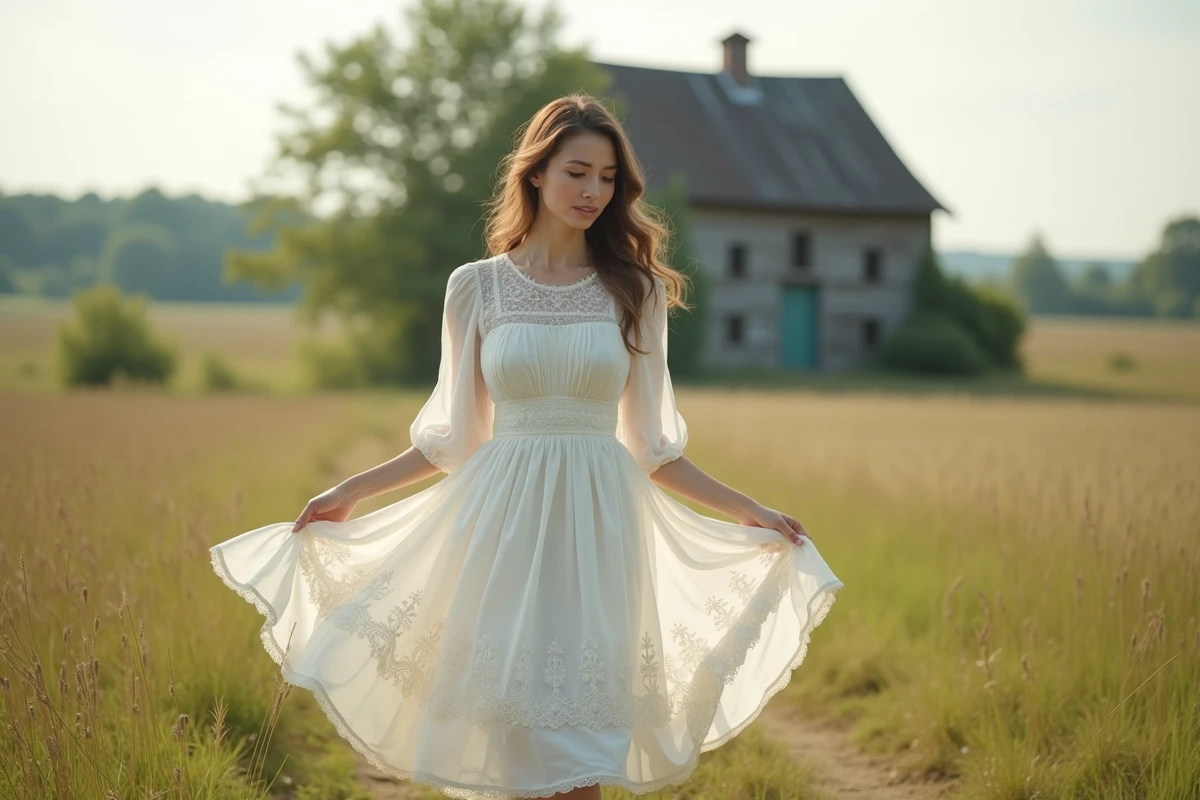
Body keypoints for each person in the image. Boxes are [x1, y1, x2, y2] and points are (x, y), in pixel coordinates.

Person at [210, 93, 842, 800]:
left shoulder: (634, 291)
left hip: (601, 530)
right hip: (501, 529)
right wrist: (347, 490)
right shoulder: (475, 288)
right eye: (578, 172)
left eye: (608, 178)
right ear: (535, 173)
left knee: (583, 750)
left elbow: (652, 448)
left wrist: (750, 510)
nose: (594, 191)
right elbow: (454, 440)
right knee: (514, 745)